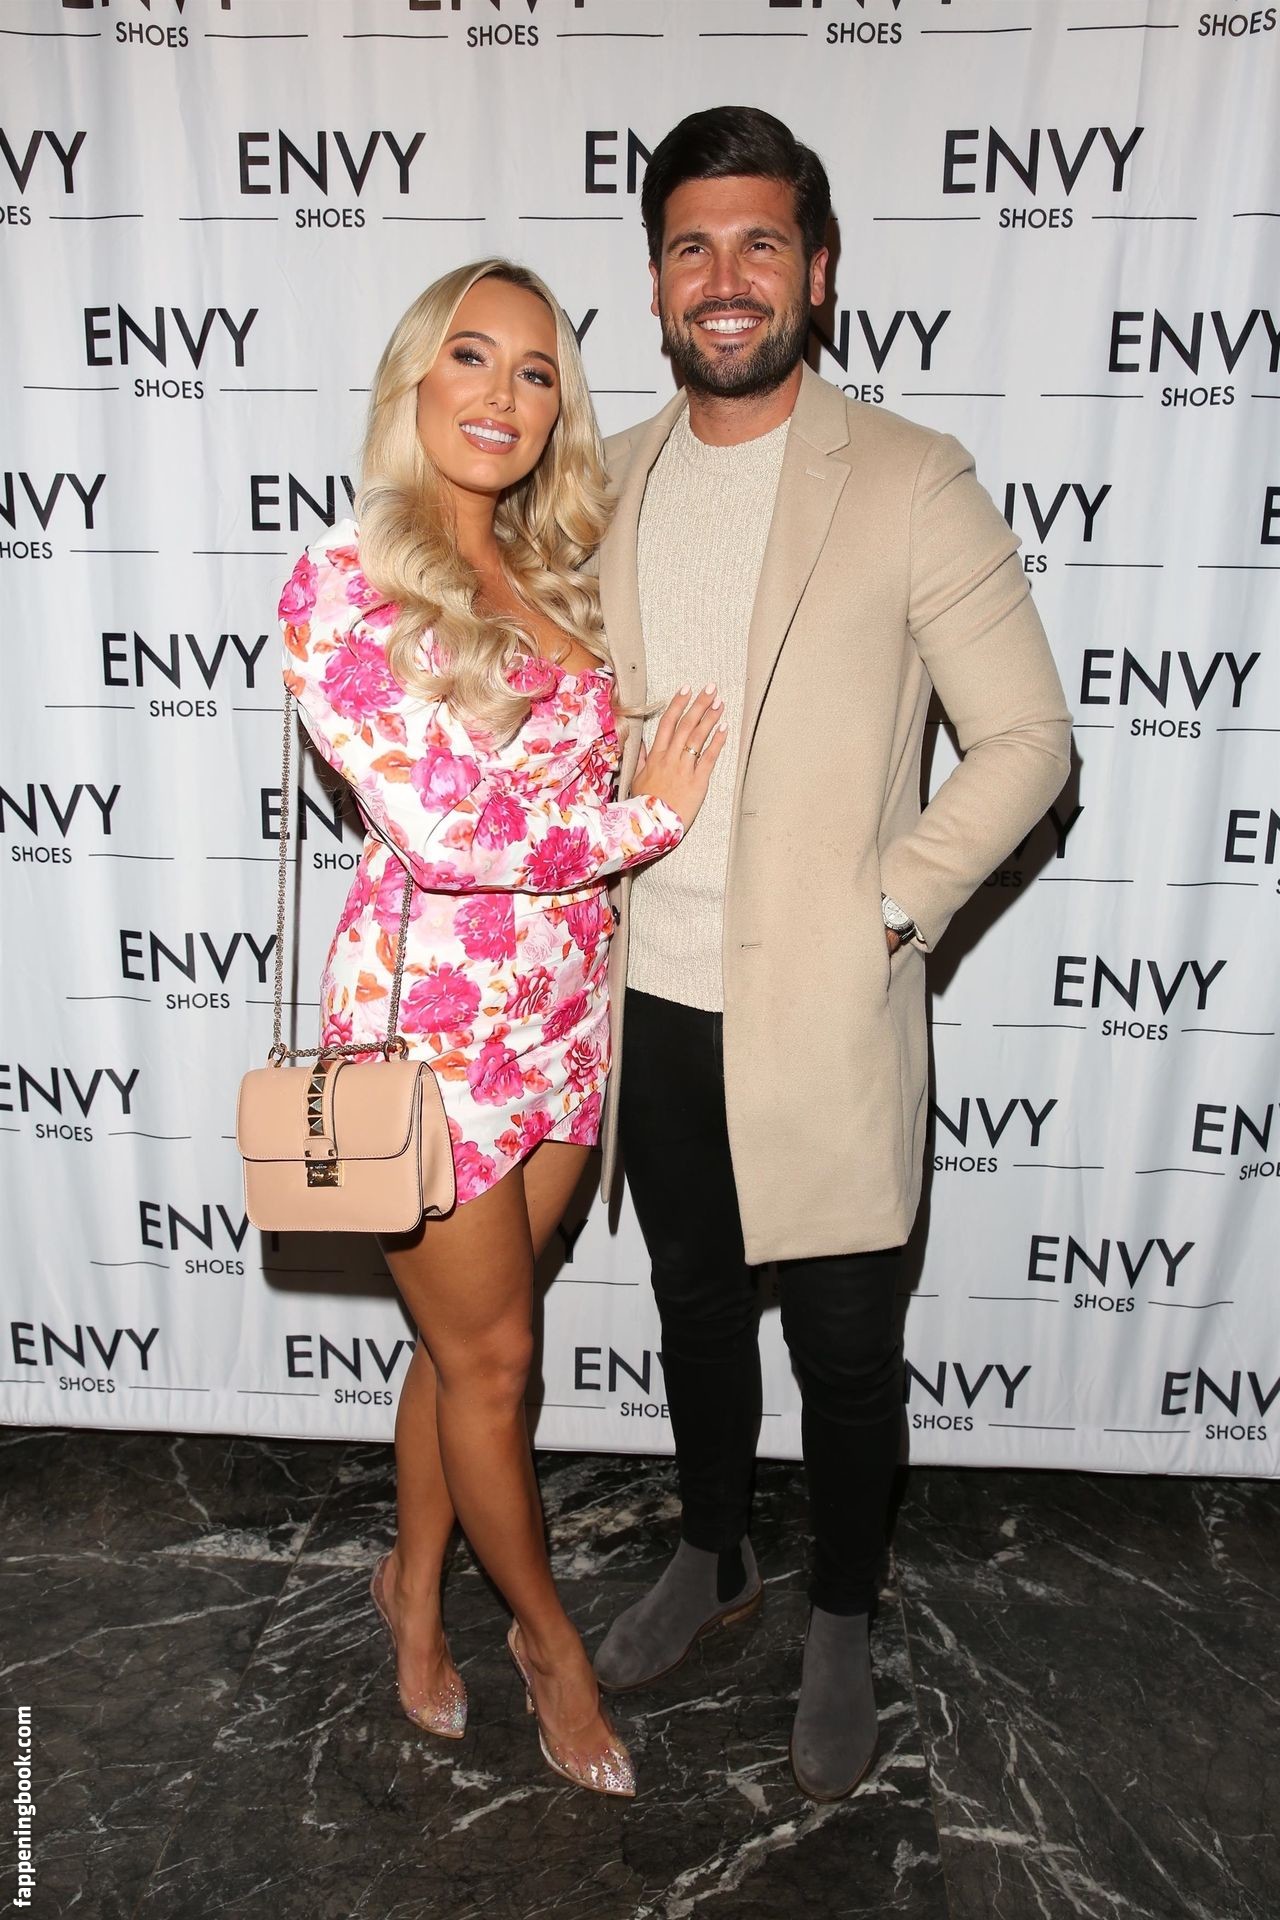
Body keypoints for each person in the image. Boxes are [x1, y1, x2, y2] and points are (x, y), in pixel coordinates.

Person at [590, 108, 1073, 1801]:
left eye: (760, 243)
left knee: (848, 1353)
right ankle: (715, 1550)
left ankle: (844, 1617)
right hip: (649, 1000)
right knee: (695, 1311)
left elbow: (1027, 740)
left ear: (819, 267)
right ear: (658, 278)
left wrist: (890, 904)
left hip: (827, 1009)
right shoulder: (607, 479)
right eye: (692, 246)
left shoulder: (911, 475)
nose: (725, 278)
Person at [278, 258, 727, 1799]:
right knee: (498, 1362)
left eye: (538, 373)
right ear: (417, 377)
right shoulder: (344, 576)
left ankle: (411, 1588)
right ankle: (547, 1641)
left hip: (563, 1024)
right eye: (471, 357)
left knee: (466, 1349)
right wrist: (644, 822)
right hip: (433, 1044)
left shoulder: (559, 575)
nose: (503, 394)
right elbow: (445, 828)